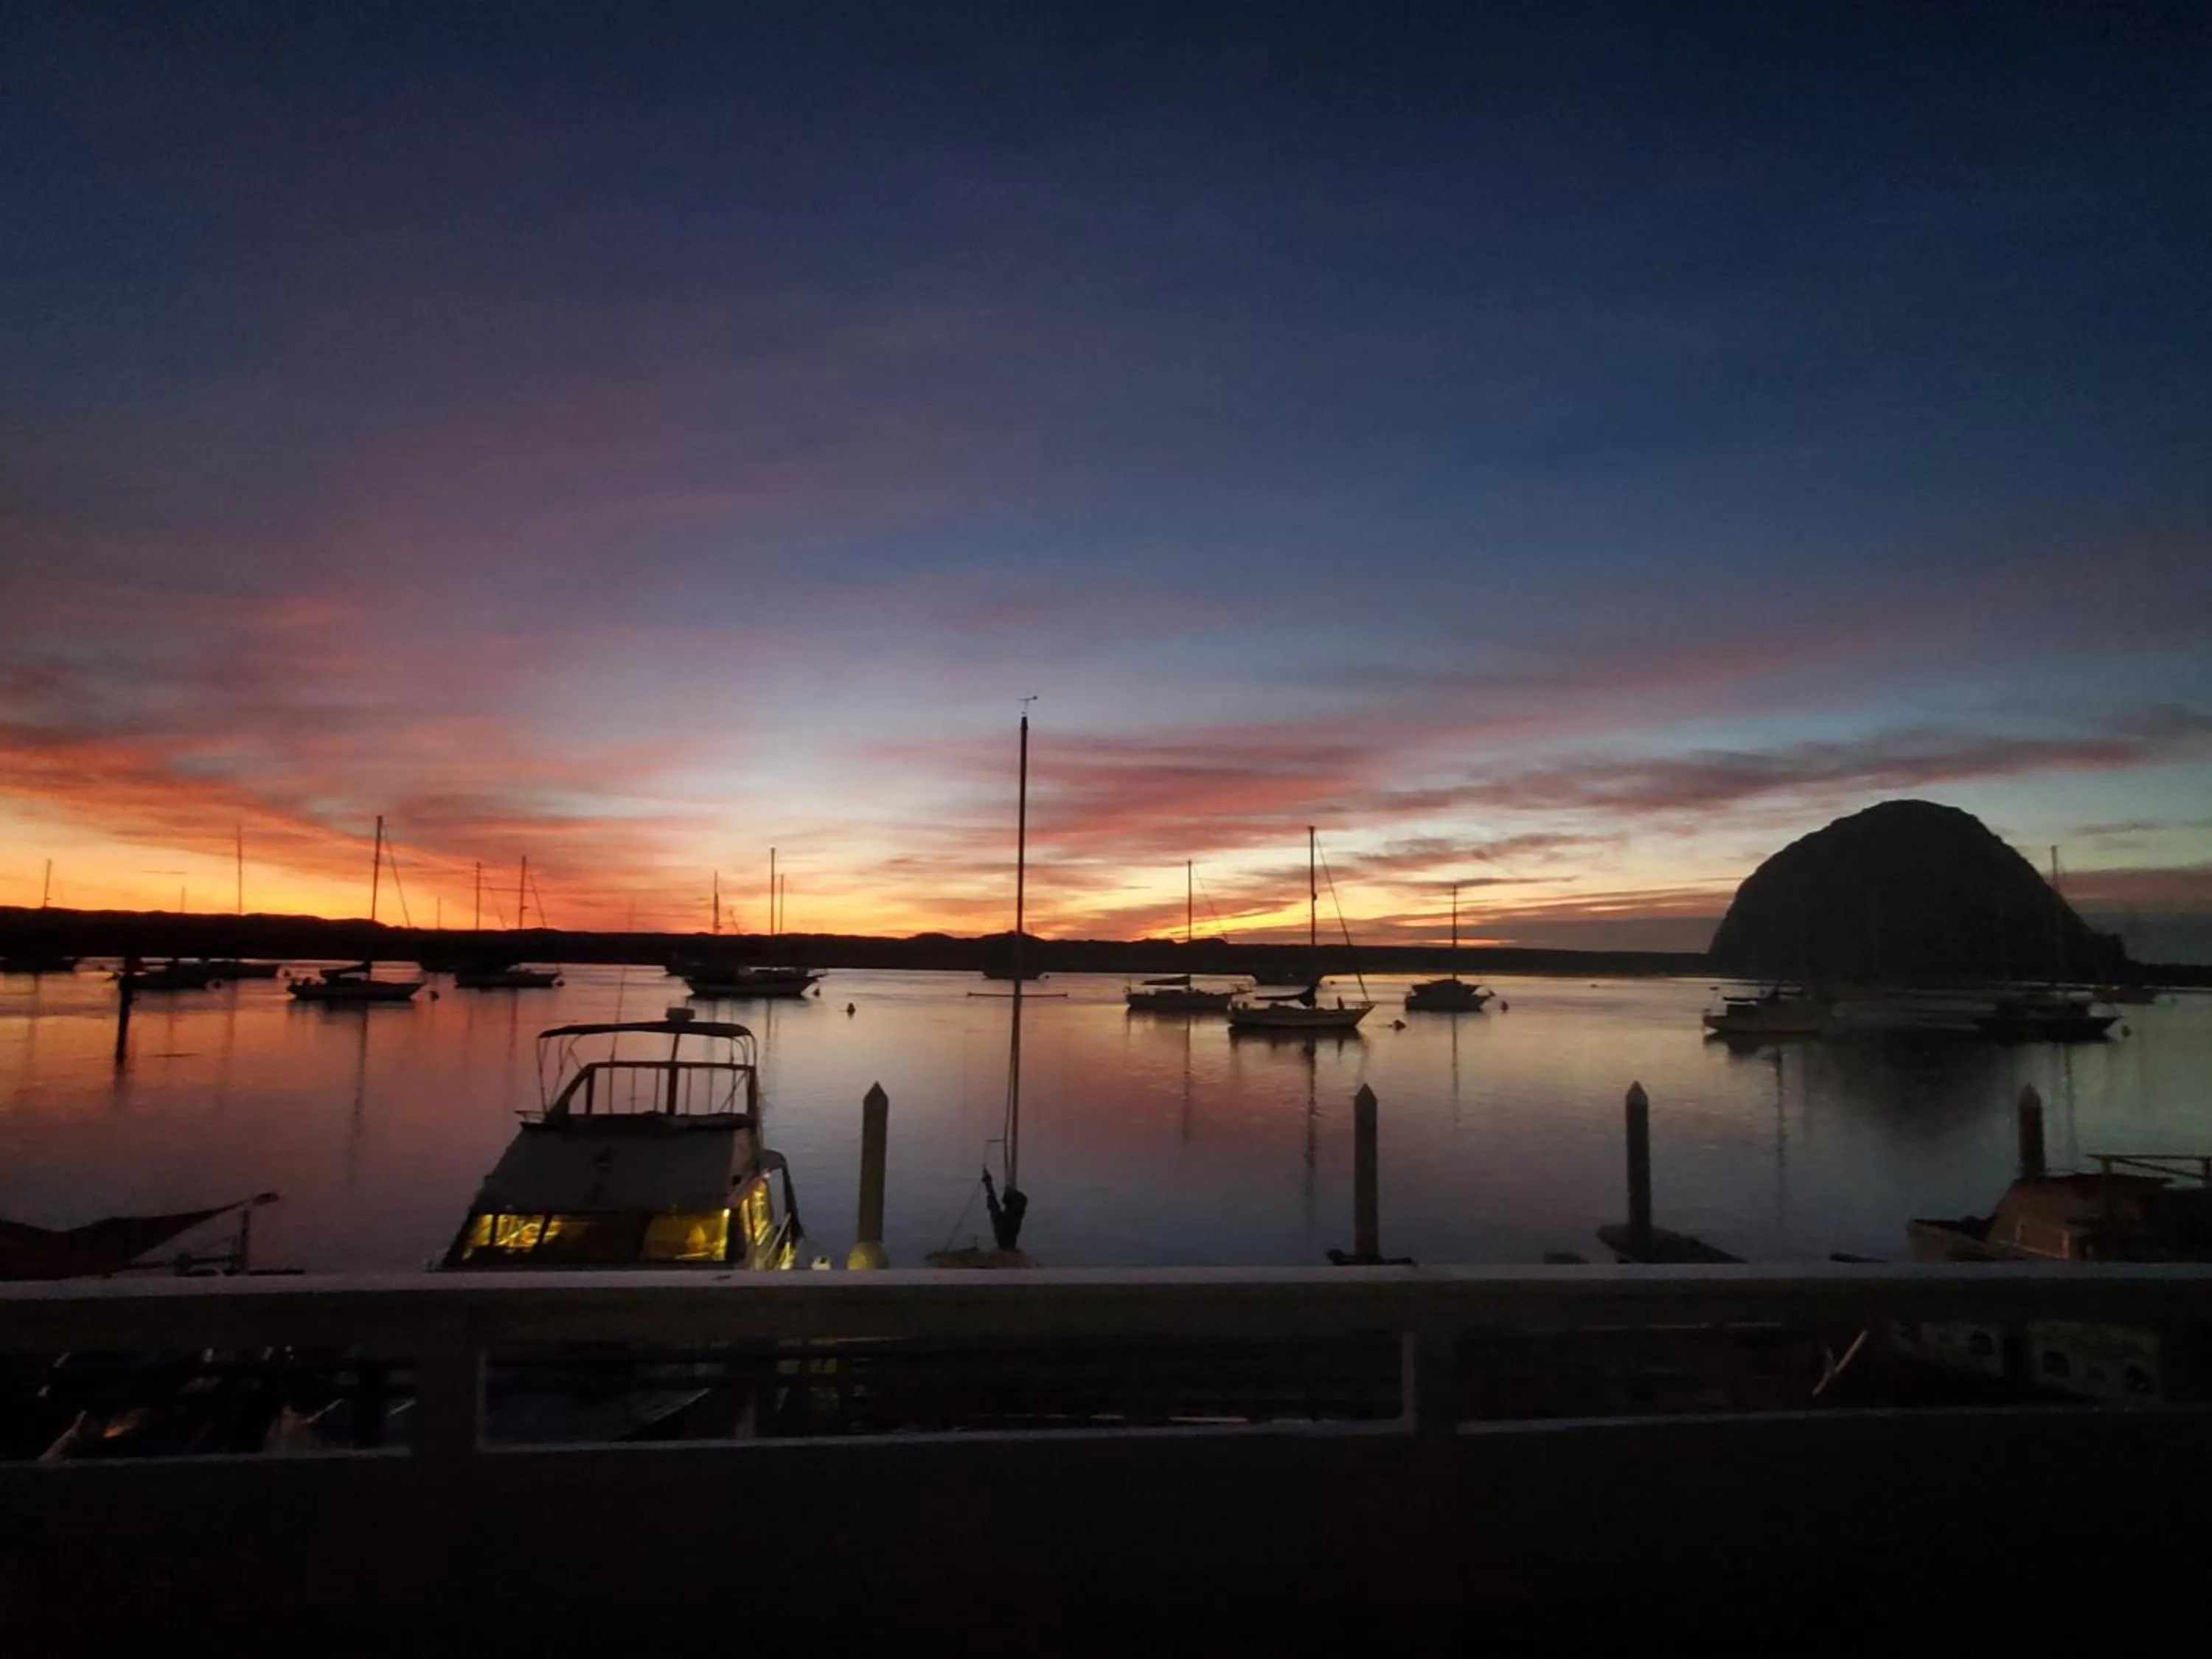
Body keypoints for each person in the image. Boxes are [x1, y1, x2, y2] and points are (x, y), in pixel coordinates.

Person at [980, 1168, 1028, 1252]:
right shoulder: (1014, 1215)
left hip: (1005, 1236)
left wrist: (988, 1182)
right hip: (1006, 1237)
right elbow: (1022, 1202)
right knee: (997, 1210)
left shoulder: (1005, 1219)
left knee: (995, 1209)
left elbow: (993, 1202)